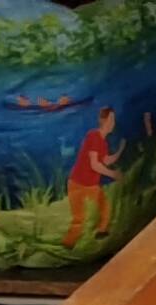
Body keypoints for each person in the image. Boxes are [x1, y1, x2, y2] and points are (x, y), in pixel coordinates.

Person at [63, 103, 121, 249]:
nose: (113, 123)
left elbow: (105, 160)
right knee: (79, 218)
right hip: (78, 183)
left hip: (91, 185)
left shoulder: (103, 142)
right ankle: (68, 244)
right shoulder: (94, 136)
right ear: (103, 121)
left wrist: (120, 151)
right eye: (110, 120)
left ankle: (101, 231)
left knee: (104, 207)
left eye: (113, 120)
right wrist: (112, 174)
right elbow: (95, 164)